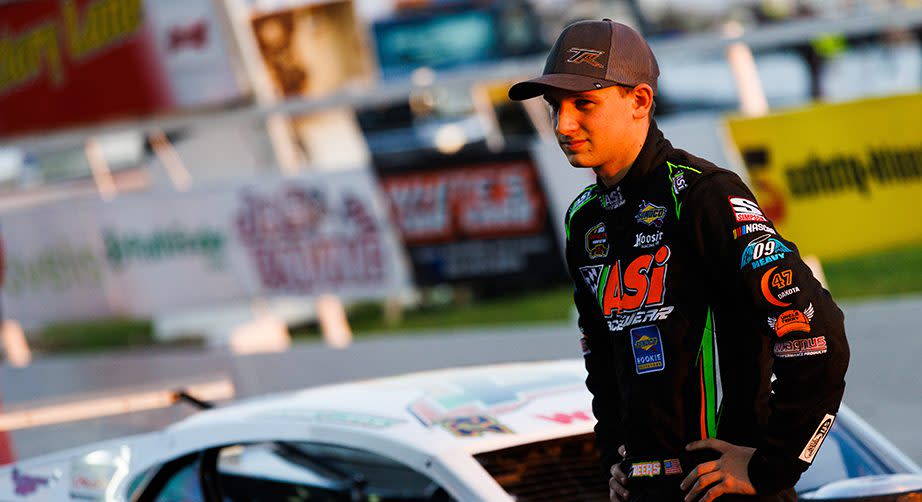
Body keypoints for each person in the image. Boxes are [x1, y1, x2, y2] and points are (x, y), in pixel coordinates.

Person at [508, 19, 849, 502]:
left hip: (723, 489)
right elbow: (602, 361)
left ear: (640, 101)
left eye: (584, 103)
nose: (563, 125)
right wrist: (614, 459)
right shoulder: (584, 221)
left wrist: (773, 467)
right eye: (554, 107)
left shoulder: (705, 195)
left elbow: (818, 333)